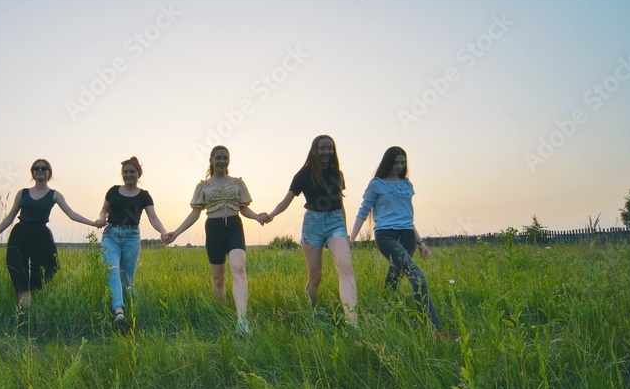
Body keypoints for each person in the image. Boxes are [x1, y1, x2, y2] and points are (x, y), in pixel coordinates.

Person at [164, 145, 266, 335]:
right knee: (218, 279)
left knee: (239, 268)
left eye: (225, 158)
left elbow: (244, 208)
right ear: (211, 160)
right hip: (214, 229)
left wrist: (257, 217)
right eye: (218, 158)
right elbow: (195, 213)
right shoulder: (203, 186)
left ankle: (242, 321)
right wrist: (176, 232)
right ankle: (220, 315)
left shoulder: (238, 183)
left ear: (229, 160)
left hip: (235, 228)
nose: (222, 161)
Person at [262, 135, 358, 328]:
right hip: (312, 224)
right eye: (322, 148)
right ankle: (310, 313)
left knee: (346, 268)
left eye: (329, 148)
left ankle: (352, 323)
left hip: (336, 223)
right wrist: (271, 215)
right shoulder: (303, 174)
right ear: (314, 150)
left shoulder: (337, 174)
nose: (326, 152)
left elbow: (340, 204)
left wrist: (346, 233)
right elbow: (287, 200)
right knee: (316, 276)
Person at [349, 147, 446, 334]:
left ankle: (381, 312)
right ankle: (434, 330)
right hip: (386, 235)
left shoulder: (406, 184)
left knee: (394, 278)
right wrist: (351, 238)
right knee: (417, 277)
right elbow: (363, 212)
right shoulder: (376, 184)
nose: (399, 166)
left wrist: (420, 243)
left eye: (402, 162)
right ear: (387, 162)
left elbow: (407, 217)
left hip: (408, 235)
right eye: (395, 162)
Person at [0, 159, 99, 309]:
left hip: (41, 235)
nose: (40, 170)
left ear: (49, 173)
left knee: (48, 267)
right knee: (18, 268)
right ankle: (26, 308)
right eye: (36, 168)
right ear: (32, 172)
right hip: (20, 234)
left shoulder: (54, 195)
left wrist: (93, 223)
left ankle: (32, 296)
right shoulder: (22, 193)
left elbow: (71, 214)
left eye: (44, 168)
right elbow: (10, 217)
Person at [96, 157, 168, 328]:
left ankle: (133, 314)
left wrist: (163, 231)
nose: (128, 175)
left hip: (131, 237)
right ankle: (119, 314)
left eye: (132, 172)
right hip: (111, 235)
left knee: (127, 280)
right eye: (126, 172)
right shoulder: (113, 191)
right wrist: (101, 218)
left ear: (138, 174)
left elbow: (153, 217)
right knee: (111, 271)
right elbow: (104, 210)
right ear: (122, 174)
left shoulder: (144, 196)